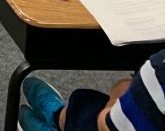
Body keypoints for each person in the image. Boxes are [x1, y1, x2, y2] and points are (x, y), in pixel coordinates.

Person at [18, 49, 165, 131]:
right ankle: (59, 118)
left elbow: (107, 125)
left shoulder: (160, 69)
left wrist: (119, 93)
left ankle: (58, 118)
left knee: (86, 105)